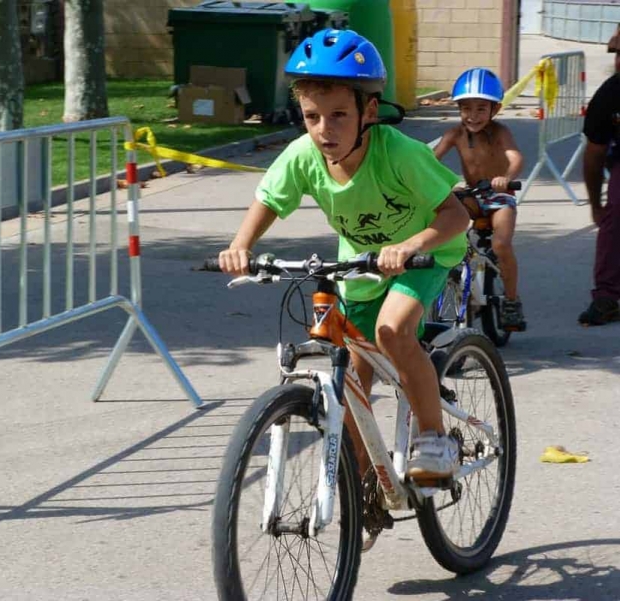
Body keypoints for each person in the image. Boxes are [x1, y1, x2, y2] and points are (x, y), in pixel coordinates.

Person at [218, 29, 468, 499]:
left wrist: (411, 244)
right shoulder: (305, 155)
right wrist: (241, 245)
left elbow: (457, 214)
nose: (323, 130)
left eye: (338, 116)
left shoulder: (399, 153)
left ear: (368, 112)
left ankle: (433, 439)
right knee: (350, 373)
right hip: (361, 263)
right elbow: (269, 199)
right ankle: (363, 479)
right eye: (311, 116)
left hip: (425, 253)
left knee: (392, 332)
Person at [433, 67, 527, 331]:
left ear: (494, 110)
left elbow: (515, 157)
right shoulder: (454, 134)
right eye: (466, 108)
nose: (472, 116)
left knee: (501, 244)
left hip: (499, 196)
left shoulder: (500, 132)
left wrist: (506, 177)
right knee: (449, 241)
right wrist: (439, 183)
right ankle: (452, 300)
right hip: (472, 196)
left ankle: (511, 301)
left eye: (480, 109)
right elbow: (431, 161)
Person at [578, 25, 620, 326]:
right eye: (618, 53)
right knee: (615, 214)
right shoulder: (610, 95)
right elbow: (594, 155)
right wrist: (596, 204)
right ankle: (607, 296)